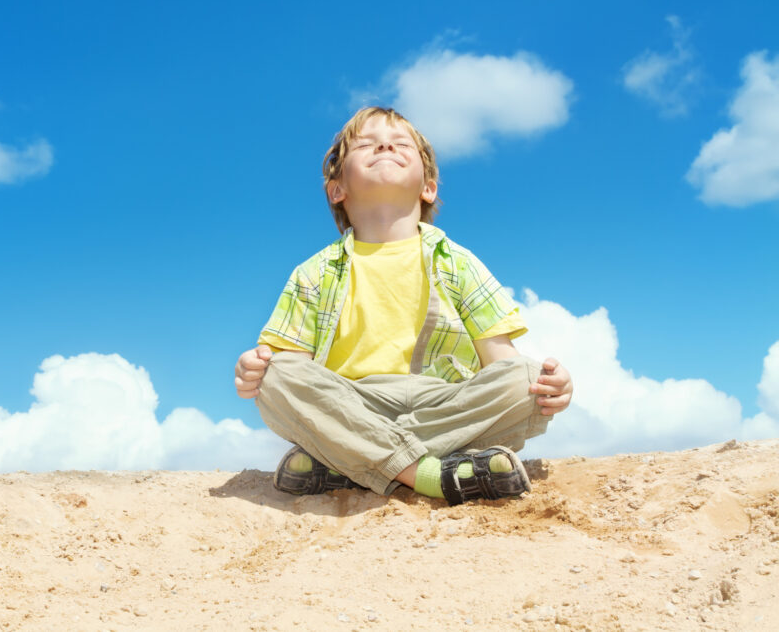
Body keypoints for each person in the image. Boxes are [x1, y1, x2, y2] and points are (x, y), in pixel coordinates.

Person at [233, 107, 573, 505]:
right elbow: (291, 366)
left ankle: (346, 461)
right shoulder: (315, 272)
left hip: (443, 402)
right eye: (366, 144)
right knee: (277, 376)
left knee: (525, 377)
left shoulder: (457, 262)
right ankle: (430, 473)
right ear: (337, 189)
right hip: (354, 404)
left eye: (400, 144)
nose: (385, 144)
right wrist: (254, 369)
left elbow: (501, 361)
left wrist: (551, 386)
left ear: (427, 187)